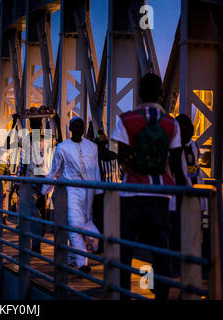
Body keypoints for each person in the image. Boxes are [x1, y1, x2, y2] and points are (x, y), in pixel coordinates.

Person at [111, 72, 186, 300]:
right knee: (160, 250)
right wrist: (182, 198)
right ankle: (160, 294)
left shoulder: (126, 120)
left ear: (140, 94)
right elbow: (176, 164)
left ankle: (125, 294)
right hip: (161, 195)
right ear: (161, 95)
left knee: (126, 249)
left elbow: (121, 158)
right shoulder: (171, 124)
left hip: (131, 193)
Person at [41, 117, 101, 273]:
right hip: (67, 192)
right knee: (69, 226)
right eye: (76, 127)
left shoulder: (92, 147)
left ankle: (79, 257)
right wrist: (44, 191)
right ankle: (73, 261)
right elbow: (54, 170)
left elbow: (95, 171)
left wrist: (98, 192)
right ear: (71, 129)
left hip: (86, 192)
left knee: (81, 225)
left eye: (81, 127)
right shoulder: (62, 148)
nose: (78, 129)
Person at [170, 114, 208, 277]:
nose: (191, 131)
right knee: (176, 238)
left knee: (192, 237)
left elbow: (194, 171)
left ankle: (189, 271)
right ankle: (175, 273)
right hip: (176, 201)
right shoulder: (172, 150)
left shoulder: (193, 146)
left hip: (193, 199)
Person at [19, 118, 50, 254]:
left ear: (31, 126)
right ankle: (39, 237)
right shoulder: (47, 140)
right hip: (44, 177)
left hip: (31, 177)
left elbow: (24, 162)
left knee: (31, 211)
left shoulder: (28, 140)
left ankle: (35, 244)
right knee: (41, 208)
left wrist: (19, 180)